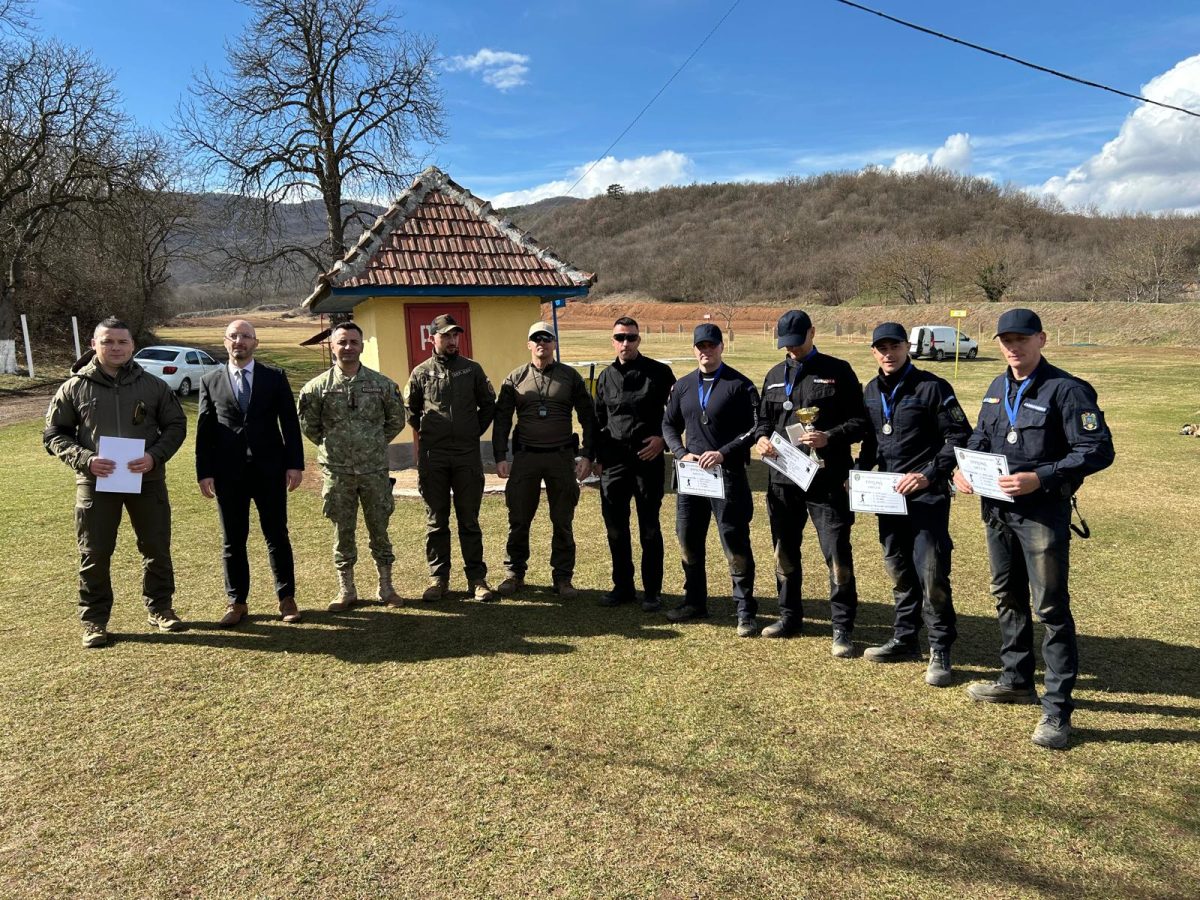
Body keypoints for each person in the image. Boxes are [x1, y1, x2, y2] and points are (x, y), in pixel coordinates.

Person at [954, 308, 1114, 750]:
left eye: (1022, 338)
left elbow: (1097, 449)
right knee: (1006, 596)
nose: (1013, 346)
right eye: (1006, 339)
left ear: (1041, 339)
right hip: (997, 510)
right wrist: (961, 470)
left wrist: (1041, 477)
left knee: (1050, 610)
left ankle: (1057, 710)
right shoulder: (995, 387)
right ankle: (1015, 679)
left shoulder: (1067, 390)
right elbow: (980, 441)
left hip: (1041, 513)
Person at [44, 317, 188, 648]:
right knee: (94, 552)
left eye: (122, 342)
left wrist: (154, 456)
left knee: (155, 546)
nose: (116, 348)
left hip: (146, 479)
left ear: (133, 346)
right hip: (96, 482)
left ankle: (160, 608)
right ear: (93, 344)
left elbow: (176, 426)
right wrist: (86, 459)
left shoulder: (153, 386)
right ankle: (94, 621)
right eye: (108, 341)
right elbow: (53, 433)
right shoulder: (75, 387)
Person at [857, 322, 972, 686]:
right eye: (881, 348)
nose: (887, 354)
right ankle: (905, 638)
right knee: (899, 569)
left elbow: (959, 436)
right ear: (873, 352)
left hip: (927, 496)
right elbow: (873, 443)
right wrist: (858, 473)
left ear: (907, 347)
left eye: (894, 346)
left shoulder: (933, 387)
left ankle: (940, 649)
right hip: (888, 497)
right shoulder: (871, 391)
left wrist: (928, 473)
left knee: (931, 573)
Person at [754, 309, 868, 657]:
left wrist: (829, 437)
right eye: (786, 345)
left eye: (798, 343)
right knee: (784, 550)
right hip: (784, 480)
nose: (793, 351)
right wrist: (761, 441)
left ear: (813, 333)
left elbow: (861, 422)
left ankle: (842, 628)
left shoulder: (838, 371)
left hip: (827, 481)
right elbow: (762, 420)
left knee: (836, 554)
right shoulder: (775, 375)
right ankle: (789, 616)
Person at [196, 319, 305, 627]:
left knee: (277, 535)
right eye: (234, 336)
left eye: (246, 336)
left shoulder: (274, 377)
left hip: (269, 470)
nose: (239, 341)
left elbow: (289, 424)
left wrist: (294, 464)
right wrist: (204, 471)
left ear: (256, 343)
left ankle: (287, 598)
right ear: (225, 341)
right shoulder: (210, 380)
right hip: (228, 473)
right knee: (233, 540)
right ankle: (237, 602)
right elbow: (204, 431)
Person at [298, 321, 406, 611]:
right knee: (342, 531)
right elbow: (310, 426)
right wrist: (335, 447)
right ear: (332, 347)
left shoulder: (382, 385)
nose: (348, 348)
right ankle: (346, 590)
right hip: (338, 472)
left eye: (353, 342)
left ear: (362, 346)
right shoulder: (317, 388)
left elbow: (396, 420)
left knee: (379, 530)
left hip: (374, 471)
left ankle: (386, 587)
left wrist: (371, 443)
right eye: (342, 342)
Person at [662, 323, 761, 636]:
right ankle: (694, 601)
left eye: (711, 346)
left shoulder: (740, 385)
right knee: (688, 538)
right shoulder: (683, 386)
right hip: (692, 478)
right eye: (700, 346)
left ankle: (745, 610)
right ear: (694, 349)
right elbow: (668, 424)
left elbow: (755, 429)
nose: (706, 352)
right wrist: (680, 452)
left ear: (722, 347)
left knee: (734, 542)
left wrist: (724, 452)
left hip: (727, 476)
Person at [492, 321, 597, 598]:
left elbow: (588, 417)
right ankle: (514, 574)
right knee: (519, 519)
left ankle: (563, 578)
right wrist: (500, 456)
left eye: (547, 338)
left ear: (554, 343)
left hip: (560, 458)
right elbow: (502, 419)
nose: (542, 343)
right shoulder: (514, 378)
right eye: (536, 339)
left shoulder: (570, 377)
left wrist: (587, 455)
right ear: (529, 344)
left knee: (562, 520)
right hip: (526, 458)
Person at [403, 314, 497, 602]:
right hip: (435, 457)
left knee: (469, 520)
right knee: (436, 521)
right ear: (433, 338)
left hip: (467, 456)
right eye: (446, 336)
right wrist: (432, 434)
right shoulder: (421, 372)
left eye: (455, 335)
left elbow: (488, 405)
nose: (452, 340)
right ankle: (438, 579)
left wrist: (469, 432)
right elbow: (411, 410)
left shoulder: (471, 370)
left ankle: (477, 580)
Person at [593, 317, 677, 611]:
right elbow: (598, 420)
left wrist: (663, 441)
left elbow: (676, 415)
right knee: (616, 529)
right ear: (612, 340)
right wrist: (596, 458)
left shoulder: (659, 373)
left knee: (649, 529)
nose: (625, 343)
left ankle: (652, 591)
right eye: (620, 337)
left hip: (647, 459)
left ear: (639, 340)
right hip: (614, 463)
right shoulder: (605, 377)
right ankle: (623, 587)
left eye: (631, 337)